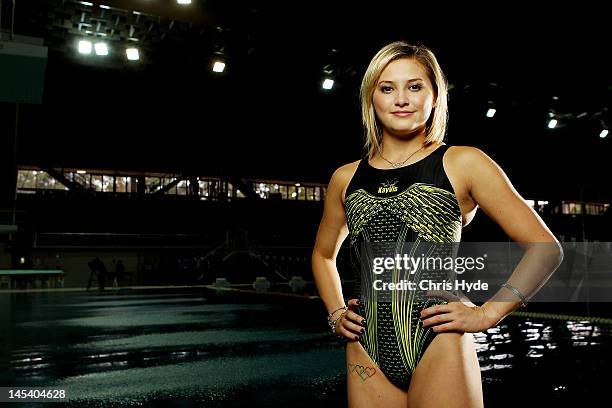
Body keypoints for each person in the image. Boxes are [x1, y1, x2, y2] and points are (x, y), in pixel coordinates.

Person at [311, 41, 564, 408]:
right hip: (365, 348)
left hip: (438, 340)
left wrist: (487, 313)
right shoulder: (345, 178)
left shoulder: (464, 163)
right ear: (371, 98)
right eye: (387, 88)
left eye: (414, 87)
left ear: (434, 96)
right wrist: (336, 312)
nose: (401, 99)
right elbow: (322, 255)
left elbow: (546, 248)